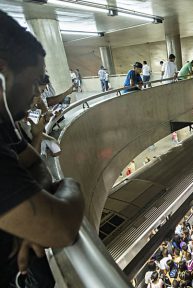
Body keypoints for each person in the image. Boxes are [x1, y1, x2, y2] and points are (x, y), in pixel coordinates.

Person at [0, 11, 85, 287]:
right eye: (35, 80)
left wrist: (29, 217)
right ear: (2, 73)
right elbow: (59, 228)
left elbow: (36, 162)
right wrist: (71, 185)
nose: (38, 93)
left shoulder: (3, 123)